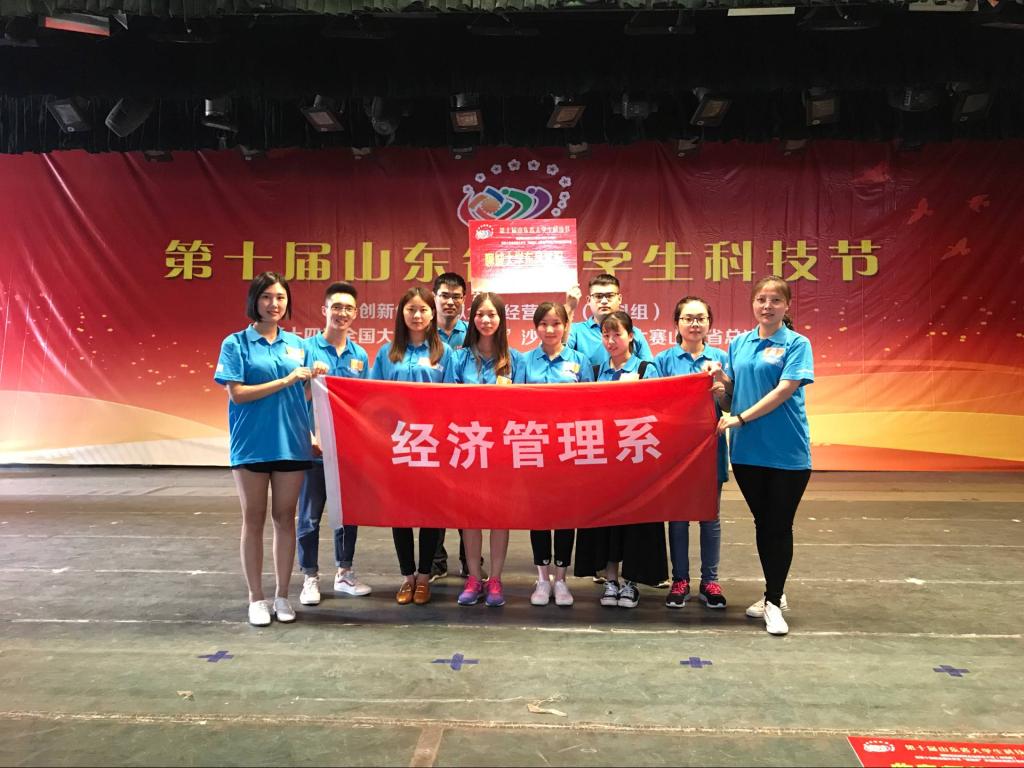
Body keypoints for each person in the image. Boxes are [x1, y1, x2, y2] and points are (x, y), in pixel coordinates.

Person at [715, 276, 814, 636]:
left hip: (786, 450)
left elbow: (784, 390)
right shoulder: (739, 343)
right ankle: (776, 591)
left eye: (775, 300)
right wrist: (720, 384)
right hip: (746, 451)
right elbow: (732, 398)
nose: (767, 306)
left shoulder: (797, 343)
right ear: (753, 303)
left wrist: (740, 418)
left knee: (779, 525)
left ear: (787, 306)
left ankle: (773, 602)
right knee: (763, 523)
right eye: (761, 299)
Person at [214, 272, 313, 626]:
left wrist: (312, 382)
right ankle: (256, 597)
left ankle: (283, 595)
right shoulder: (235, 343)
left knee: (286, 519)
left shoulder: (298, 344)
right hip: (251, 443)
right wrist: (287, 379)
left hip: (292, 443)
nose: (274, 304)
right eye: (267, 297)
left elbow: (302, 395)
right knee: (253, 519)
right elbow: (237, 394)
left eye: (281, 297)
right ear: (254, 301)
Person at [574, 311, 667, 609]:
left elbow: (657, 409)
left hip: (636, 458)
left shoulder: (646, 368)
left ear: (631, 336)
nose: (611, 341)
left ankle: (631, 582)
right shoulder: (596, 371)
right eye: (606, 335)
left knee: (635, 523)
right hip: (604, 460)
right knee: (608, 522)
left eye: (617, 334)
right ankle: (611, 580)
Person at [370, 286, 455, 605]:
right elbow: (374, 398)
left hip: (432, 444)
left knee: (431, 512)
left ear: (432, 314)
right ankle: (407, 576)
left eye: (423, 309)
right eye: (411, 310)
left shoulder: (445, 352)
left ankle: (424, 576)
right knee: (401, 513)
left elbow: (452, 399)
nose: (417, 315)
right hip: (398, 444)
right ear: (401, 314)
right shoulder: (387, 352)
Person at [297, 282, 372, 609]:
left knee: (346, 515)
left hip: (346, 451)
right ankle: (310, 576)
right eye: (336, 307)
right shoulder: (304, 349)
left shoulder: (360, 355)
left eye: (348, 308)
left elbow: (363, 404)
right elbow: (294, 400)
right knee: (309, 517)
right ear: (324, 310)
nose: (342, 313)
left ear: (355, 314)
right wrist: (308, 436)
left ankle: (344, 572)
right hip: (313, 449)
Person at [514, 301, 594, 607]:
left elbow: (590, 405)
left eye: (556, 323)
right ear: (535, 327)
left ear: (566, 326)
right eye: (544, 323)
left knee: (564, 515)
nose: (550, 329)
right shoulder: (524, 361)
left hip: (569, 449)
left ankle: (561, 579)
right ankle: (542, 578)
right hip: (533, 448)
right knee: (538, 515)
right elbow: (514, 404)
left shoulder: (580, 361)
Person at [654, 296, 731, 611]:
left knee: (710, 516)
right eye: (688, 318)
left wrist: (722, 389)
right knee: (678, 517)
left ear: (709, 323)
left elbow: (729, 405)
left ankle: (710, 581)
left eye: (700, 318)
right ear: (677, 323)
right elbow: (655, 404)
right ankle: (680, 580)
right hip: (676, 449)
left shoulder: (721, 358)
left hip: (710, 446)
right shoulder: (663, 360)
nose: (694, 324)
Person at [451, 292, 522, 607]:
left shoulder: (515, 359)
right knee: (470, 516)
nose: (486, 320)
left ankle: (495, 579)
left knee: (499, 516)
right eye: (480, 314)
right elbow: (446, 403)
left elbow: (526, 405)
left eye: (492, 314)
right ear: (472, 318)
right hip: (468, 446)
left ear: (501, 319)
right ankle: (473, 577)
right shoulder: (459, 358)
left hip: (503, 449)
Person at [430, 272, 469, 580]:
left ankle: (470, 558)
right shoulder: (422, 332)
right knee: (436, 496)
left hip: (466, 430)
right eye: (445, 295)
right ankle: (435, 559)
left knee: (467, 497)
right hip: (431, 431)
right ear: (435, 297)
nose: (450, 302)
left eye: (456, 296)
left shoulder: (472, 334)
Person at [564, 274, 653, 366]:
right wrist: (569, 308)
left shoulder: (634, 333)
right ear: (588, 300)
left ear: (619, 299)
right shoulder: (575, 331)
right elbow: (560, 355)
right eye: (598, 296)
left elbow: (649, 369)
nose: (604, 301)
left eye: (610, 296)